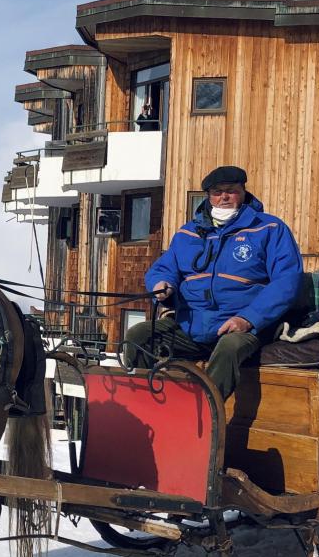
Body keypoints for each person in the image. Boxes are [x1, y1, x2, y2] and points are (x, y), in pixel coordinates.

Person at [122, 165, 302, 400]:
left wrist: (248, 318)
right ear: (208, 196)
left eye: (231, 191)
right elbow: (164, 268)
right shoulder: (188, 233)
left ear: (243, 192)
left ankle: (207, 417)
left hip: (244, 326)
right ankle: (143, 404)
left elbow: (287, 281)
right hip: (193, 325)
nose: (224, 197)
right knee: (139, 335)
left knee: (229, 348)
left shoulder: (269, 228)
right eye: (217, 192)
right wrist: (161, 283)